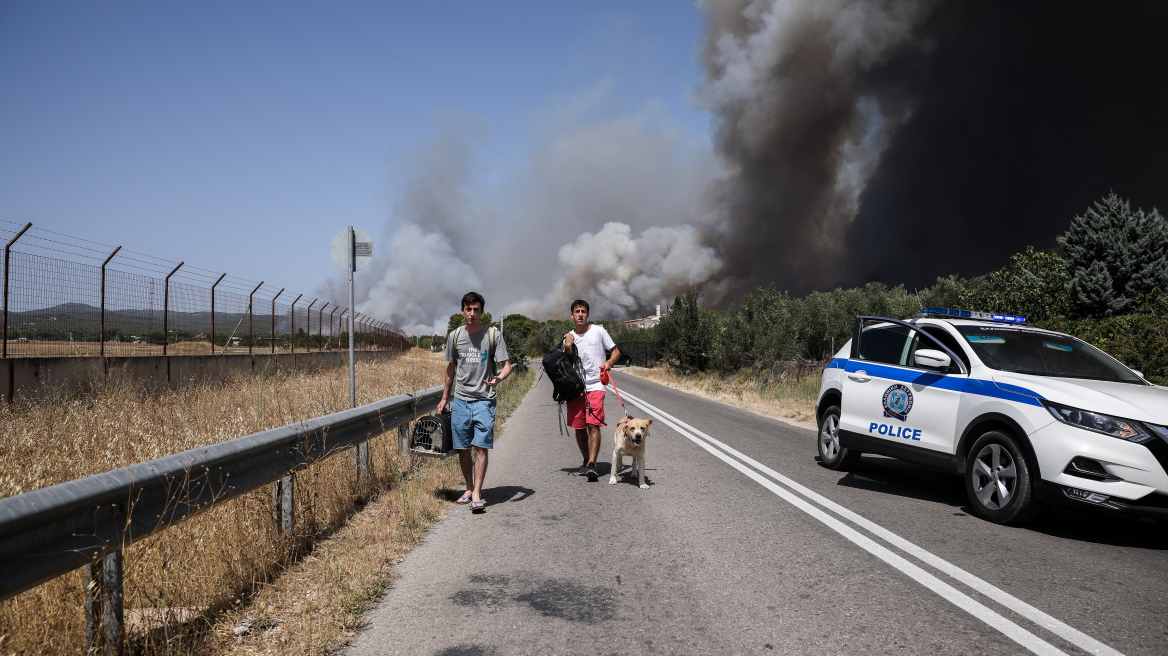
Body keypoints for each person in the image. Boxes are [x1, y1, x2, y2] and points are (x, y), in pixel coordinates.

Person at [437, 292, 511, 511]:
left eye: (476, 309)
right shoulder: (454, 336)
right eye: (468, 309)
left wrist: (499, 378)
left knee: (481, 447)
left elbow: (507, 364)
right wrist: (444, 398)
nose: (472, 313)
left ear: (482, 311)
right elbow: (451, 368)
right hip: (460, 400)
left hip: (484, 400)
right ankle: (468, 487)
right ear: (462, 311)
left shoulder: (492, 335)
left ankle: (477, 492)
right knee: (462, 448)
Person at [563, 299, 620, 481]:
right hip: (576, 388)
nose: (580, 314)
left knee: (592, 424)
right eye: (577, 311)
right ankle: (586, 460)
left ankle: (593, 464)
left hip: (596, 385)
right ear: (572, 315)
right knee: (579, 427)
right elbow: (566, 365)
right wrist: (567, 347)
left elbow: (616, 351)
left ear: (588, 314)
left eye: (583, 311)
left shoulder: (599, 331)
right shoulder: (568, 337)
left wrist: (609, 362)